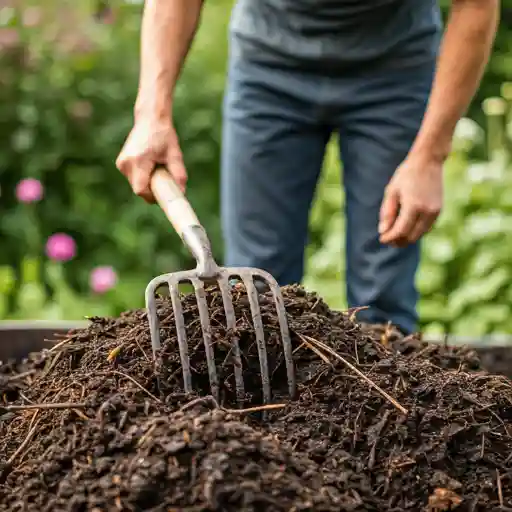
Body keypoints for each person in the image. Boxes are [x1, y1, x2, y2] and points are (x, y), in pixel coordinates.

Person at [116, 0, 498, 335]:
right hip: (268, 68)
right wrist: (152, 114)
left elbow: (477, 5)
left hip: (394, 71)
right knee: (256, 296)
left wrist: (429, 156)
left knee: (384, 294)